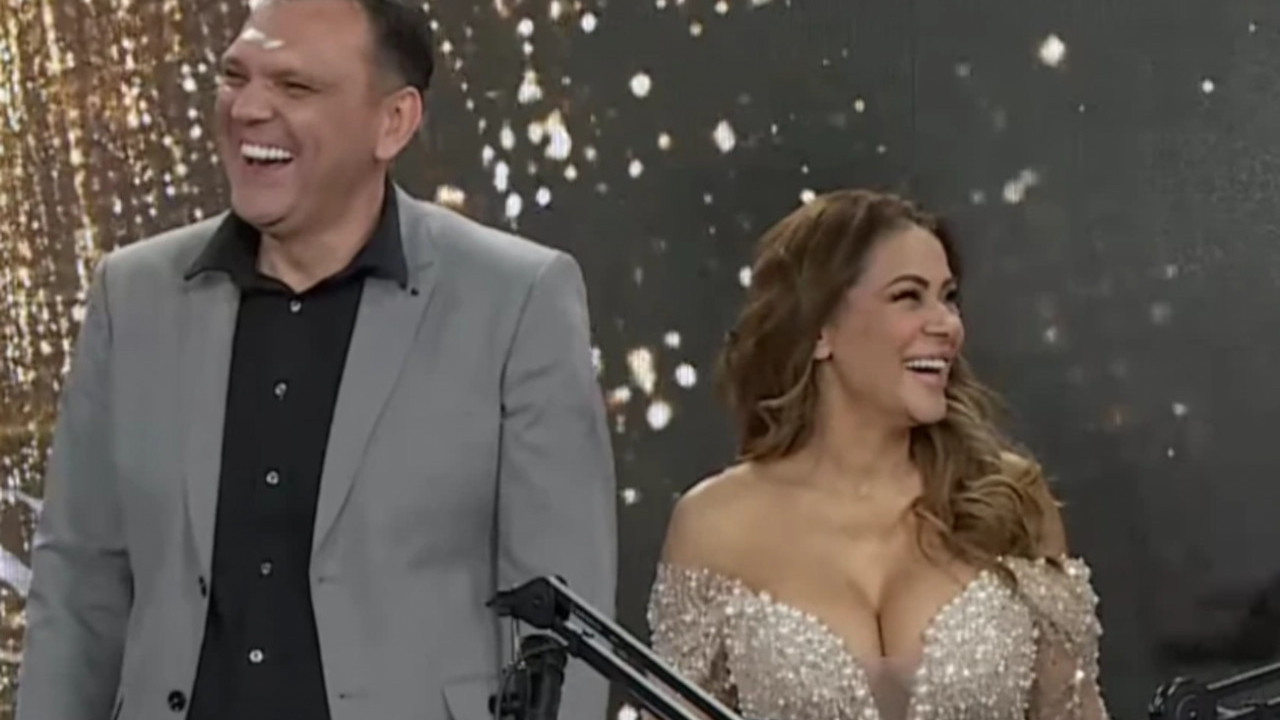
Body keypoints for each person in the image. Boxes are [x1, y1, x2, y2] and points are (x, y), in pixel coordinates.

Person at [16, 1, 616, 719]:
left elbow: (562, 629)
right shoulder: (134, 294)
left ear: (393, 121)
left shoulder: (516, 300)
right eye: (235, 76)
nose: (248, 108)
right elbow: (79, 585)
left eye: (295, 86)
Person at [646, 189, 1108, 720]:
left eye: (948, 297)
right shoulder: (715, 526)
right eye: (909, 296)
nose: (947, 325)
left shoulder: (1010, 502)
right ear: (820, 330)